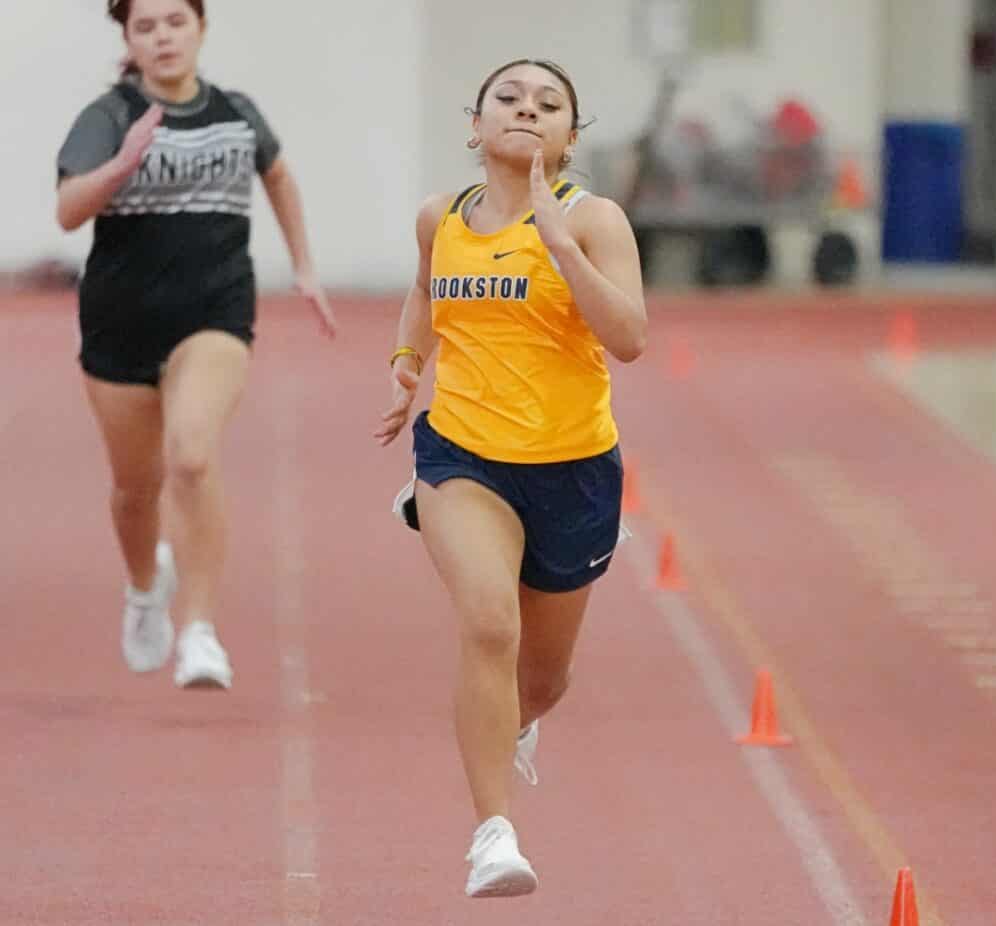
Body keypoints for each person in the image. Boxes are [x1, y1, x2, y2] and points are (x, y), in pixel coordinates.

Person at [375, 58, 647, 897]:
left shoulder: (594, 220)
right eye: (509, 98)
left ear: (569, 138)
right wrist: (407, 361)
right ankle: (493, 835)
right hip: (463, 456)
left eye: (549, 103)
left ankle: (515, 722)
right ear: (477, 123)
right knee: (490, 624)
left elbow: (629, 338)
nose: (527, 109)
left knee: (543, 679)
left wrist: (561, 247)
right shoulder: (442, 216)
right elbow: (425, 291)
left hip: (573, 468)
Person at [56, 0, 336, 690]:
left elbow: (279, 176)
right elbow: (67, 211)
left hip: (214, 313)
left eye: (176, 22)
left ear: (200, 27)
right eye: (146, 27)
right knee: (135, 490)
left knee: (190, 455)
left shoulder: (237, 112)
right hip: (120, 323)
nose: (163, 37)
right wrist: (122, 164)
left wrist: (303, 266)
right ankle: (144, 588)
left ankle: (200, 632)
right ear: (129, 39)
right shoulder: (109, 116)